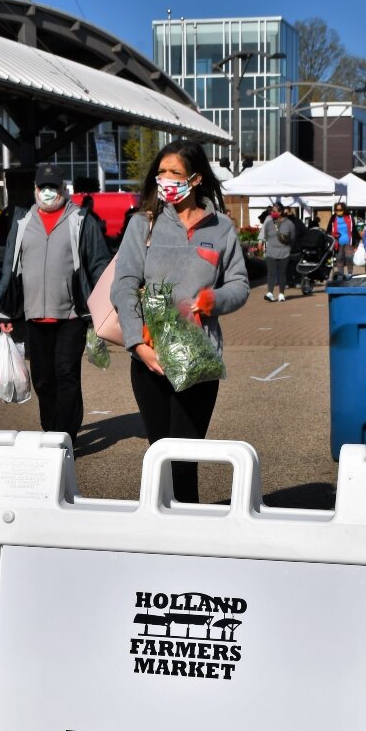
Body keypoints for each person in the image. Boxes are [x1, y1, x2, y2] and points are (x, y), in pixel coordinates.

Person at [110, 139, 249, 503]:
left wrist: (214, 299)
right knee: (160, 453)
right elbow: (123, 284)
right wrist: (136, 344)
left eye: (176, 173)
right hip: (150, 357)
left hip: (198, 357)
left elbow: (239, 284)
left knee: (185, 455)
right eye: (162, 173)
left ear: (197, 178)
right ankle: (160, 530)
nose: (166, 180)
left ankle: (187, 534)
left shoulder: (221, 228)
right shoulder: (145, 224)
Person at [0, 164, 111, 445]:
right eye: (43, 187)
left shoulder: (81, 220)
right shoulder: (22, 222)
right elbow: (10, 267)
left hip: (71, 314)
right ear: (35, 189)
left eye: (53, 187)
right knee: (43, 379)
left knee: (66, 372)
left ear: (63, 190)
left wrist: (104, 304)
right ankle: (51, 427)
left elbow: (99, 264)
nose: (48, 193)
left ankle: (64, 436)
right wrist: (5, 308)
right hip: (34, 315)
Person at [259, 202, 294, 300]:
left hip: (284, 252)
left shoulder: (289, 224)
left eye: (274, 211)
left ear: (280, 212)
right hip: (271, 252)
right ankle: (270, 293)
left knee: (282, 273)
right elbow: (266, 236)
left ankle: (281, 294)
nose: (272, 213)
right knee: (271, 273)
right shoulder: (269, 223)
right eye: (271, 211)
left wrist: (289, 248)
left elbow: (293, 237)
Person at [326, 200, 359, 279]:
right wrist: (332, 236)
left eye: (340, 210)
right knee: (339, 259)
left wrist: (355, 244)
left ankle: (350, 274)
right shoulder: (333, 217)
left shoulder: (349, 216)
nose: (338, 211)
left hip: (348, 241)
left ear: (344, 210)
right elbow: (329, 230)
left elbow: (353, 229)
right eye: (337, 210)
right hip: (337, 242)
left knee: (349, 257)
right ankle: (341, 275)